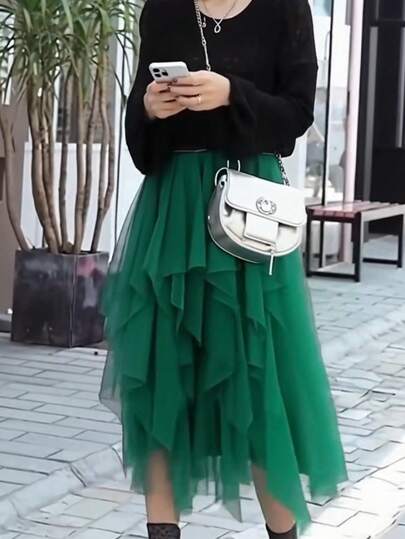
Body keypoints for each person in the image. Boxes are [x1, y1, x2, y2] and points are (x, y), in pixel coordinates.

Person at [99, 1, 348, 538]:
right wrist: (149, 109)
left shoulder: (285, 8)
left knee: (257, 381)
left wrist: (232, 92)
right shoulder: (164, 9)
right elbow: (141, 138)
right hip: (173, 214)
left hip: (249, 212)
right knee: (161, 378)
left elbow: (296, 116)